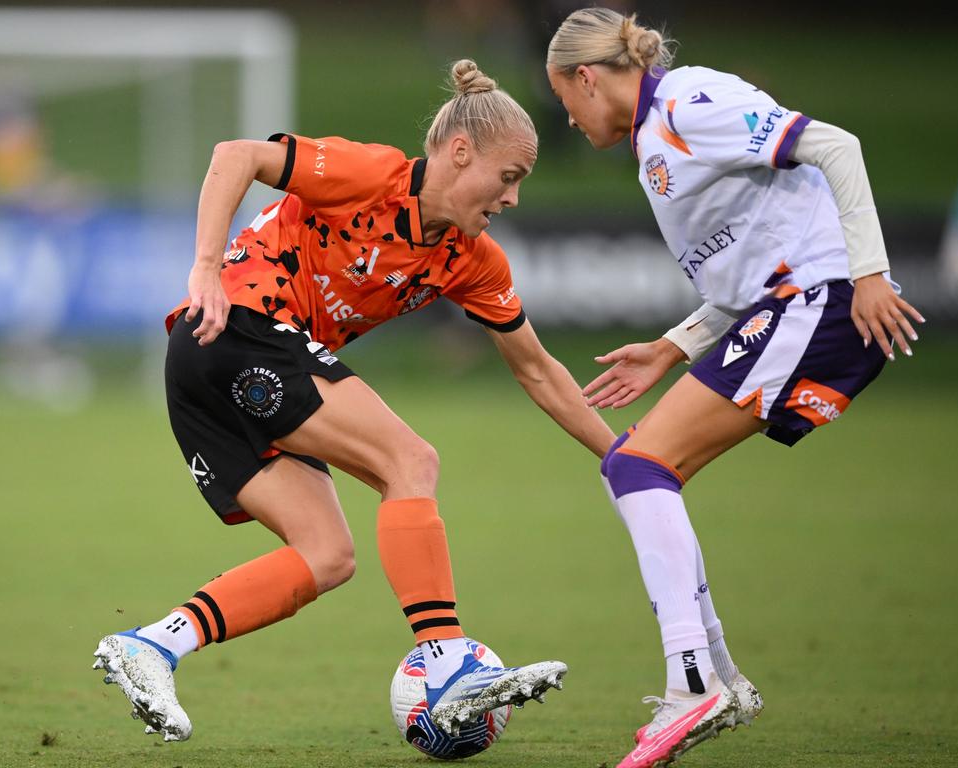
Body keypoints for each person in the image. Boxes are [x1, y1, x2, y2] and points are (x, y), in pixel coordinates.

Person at [91, 59, 616, 743]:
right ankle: (450, 665)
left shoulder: (473, 260)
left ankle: (152, 646)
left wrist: (628, 459)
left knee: (327, 554)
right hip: (233, 328)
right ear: (460, 153)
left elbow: (541, 373)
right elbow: (236, 156)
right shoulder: (373, 176)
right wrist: (206, 269)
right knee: (410, 459)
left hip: (214, 368)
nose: (512, 198)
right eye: (508, 177)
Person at [546, 9, 924, 768]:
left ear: (588, 77)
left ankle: (694, 686)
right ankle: (715, 678)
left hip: (822, 302)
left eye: (564, 98)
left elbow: (834, 146)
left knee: (637, 467)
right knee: (639, 468)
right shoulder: (654, 144)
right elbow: (742, 278)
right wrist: (672, 346)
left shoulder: (689, 102)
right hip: (791, 305)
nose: (566, 115)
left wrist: (870, 273)